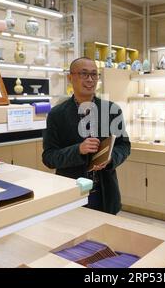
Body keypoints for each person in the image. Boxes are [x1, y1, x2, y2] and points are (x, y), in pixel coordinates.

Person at [42, 57, 131, 215]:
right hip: (71, 193)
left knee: (106, 237)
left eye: (94, 74)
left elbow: (124, 146)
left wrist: (110, 159)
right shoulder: (57, 115)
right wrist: (78, 150)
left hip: (105, 193)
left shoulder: (111, 110)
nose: (90, 79)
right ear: (70, 78)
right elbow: (49, 157)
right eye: (84, 74)